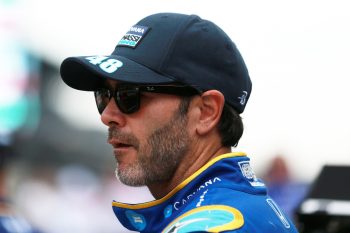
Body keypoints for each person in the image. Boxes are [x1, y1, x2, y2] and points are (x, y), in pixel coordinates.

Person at [60, 12, 299, 233]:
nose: (107, 115)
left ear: (206, 112)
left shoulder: (207, 226)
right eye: (104, 95)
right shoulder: (240, 206)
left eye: (129, 95)